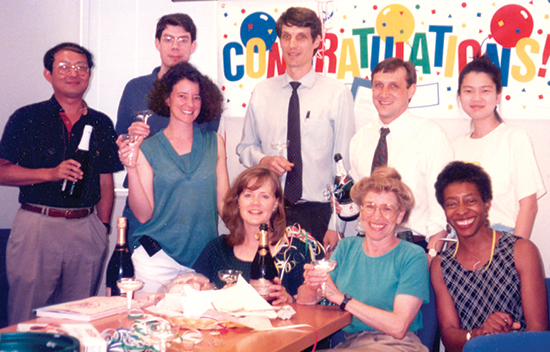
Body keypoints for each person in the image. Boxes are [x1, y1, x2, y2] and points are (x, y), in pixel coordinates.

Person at [0, 43, 123, 324]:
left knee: (79, 318)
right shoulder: (26, 117)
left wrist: (101, 227)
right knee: (27, 317)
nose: (74, 73)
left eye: (81, 67)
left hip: (86, 228)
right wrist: (50, 173)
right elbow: (2, 172)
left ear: (89, 75)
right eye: (64, 67)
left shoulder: (101, 122)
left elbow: (106, 179)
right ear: (48, 74)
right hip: (37, 225)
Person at [236, 7, 356, 244]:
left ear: (317, 42)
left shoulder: (337, 94)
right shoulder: (262, 92)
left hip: (318, 214)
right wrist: (264, 161)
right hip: (269, 211)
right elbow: (244, 148)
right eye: (287, 36)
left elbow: (344, 167)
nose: (293, 45)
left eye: (301, 37)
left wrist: (336, 225)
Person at [117, 62, 229, 293]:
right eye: (182, 96)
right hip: (155, 259)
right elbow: (143, 214)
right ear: (167, 99)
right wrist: (131, 168)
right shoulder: (147, 148)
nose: (190, 104)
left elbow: (224, 205)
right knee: (150, 325)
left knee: (197, 326)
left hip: (202, 260)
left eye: (196, 98)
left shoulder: (214, 143)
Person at [327, 57, 453, 259]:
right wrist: (339, 215)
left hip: (413, 248)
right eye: (378, 85)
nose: (384, 94)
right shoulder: (360, 139)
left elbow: (441, 202)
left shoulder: (431, 135)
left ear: (411, 90)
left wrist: (432, 253)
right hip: (366, 247)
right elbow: (356, 199)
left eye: (394, 86)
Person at [297, 167, 430, 351]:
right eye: (370, 206)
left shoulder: (413, 256)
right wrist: (312, 285)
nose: (377, 216)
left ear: (400, 215)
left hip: (396, 345)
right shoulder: (346, 248)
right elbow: (305, 301)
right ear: (360, 210)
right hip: (350, 344)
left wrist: (342, 299)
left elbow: (398, 327)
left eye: (387, 208)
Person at [116, 13, 220, 242]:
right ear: (157, 43)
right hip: (142, 200)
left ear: (193, 46)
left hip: (188, 206)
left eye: (183, 40)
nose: (175, 47)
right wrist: (127, 141)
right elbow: (118, 145)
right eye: (168, 39)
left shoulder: (204, 93)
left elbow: (210, 153)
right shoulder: (135, 88)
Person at [431, 161, 548, 352]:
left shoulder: (520, 250)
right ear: (445, 211)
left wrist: (499, 338)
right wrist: (478, 334)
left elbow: (539, 333)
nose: (461, 211)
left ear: (486, 204)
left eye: (470, 201)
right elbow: (449, 337)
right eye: (452, 204)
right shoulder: (441, 265)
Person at [193, 165, 316, 305]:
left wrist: (288, 299)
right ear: (238, 201)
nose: (255, 203)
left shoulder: (293, 251)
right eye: (248, 195)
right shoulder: (217, 249)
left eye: (264, 196)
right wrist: (217, 296)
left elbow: (309, 309)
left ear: (276, 203)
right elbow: (196, 294)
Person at [452, 55, 545, 239]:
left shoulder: (514, 138)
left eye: (485, 90)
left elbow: (529, 206)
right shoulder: (455, 146)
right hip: (461, 243)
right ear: (460, 95)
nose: (476, 98)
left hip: (501, 240)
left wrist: (514, 253)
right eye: (469, 91)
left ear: (498, 96)